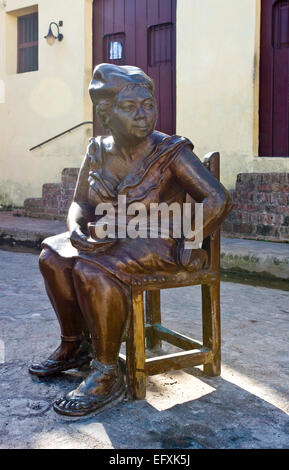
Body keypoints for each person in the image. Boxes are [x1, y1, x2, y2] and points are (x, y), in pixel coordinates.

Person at [29, 64, 233, 418]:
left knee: (92, 271)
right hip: (113, 236)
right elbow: (79, 202)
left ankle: (108, 372)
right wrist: (76, 226)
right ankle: (75, 345)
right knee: (53, 257)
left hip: (163, 242)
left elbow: (217, 198)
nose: (143, 115)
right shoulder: (98, 150)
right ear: (106, 113)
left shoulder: (170, 152)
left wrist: (192, 238)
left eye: (149, 104)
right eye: (130, 107)